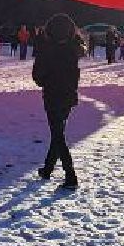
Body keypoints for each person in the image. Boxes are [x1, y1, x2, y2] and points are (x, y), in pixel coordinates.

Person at [31, 13, 82, 190]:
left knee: (58, 135)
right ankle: (48, 169)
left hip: (53, 95)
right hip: (68, 95)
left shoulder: (47, 49)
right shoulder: (74, 48)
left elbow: (37, 76)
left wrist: (46, 80)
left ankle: (71, 175)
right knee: (58, 133)